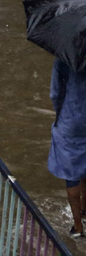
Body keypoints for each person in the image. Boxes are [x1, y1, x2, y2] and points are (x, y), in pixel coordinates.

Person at [49, 58, 86, 238]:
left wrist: (60, 115)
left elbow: (55, 93)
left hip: (71, 119)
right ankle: (85, 209)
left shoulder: (65, 57)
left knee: (71, 173)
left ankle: (78, 226)